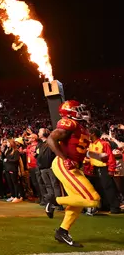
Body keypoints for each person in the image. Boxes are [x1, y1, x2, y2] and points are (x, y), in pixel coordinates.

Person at [45, 100, 105, 247]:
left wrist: (100, 156)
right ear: (70, 112)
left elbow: (81, 150)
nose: (83, 112)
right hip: (64, 164)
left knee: (78, 201)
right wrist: (64, 158)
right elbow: (50, 139)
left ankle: (62, 231)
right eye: (79, 110)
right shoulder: (69, 123)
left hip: (73, 166)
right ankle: (54, 202)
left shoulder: (81, 128)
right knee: (93, 199)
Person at [88, 128, 121, 213]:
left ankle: (115, 207)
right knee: (100, 188)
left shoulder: (103, 143)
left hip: (104, 168)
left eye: (89, 133)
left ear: (93, 134)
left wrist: (111, 169)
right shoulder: (91, 144)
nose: (88, 135)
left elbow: (110, 157)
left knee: (108, 187)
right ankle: (105, 206)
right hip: (95, 169)